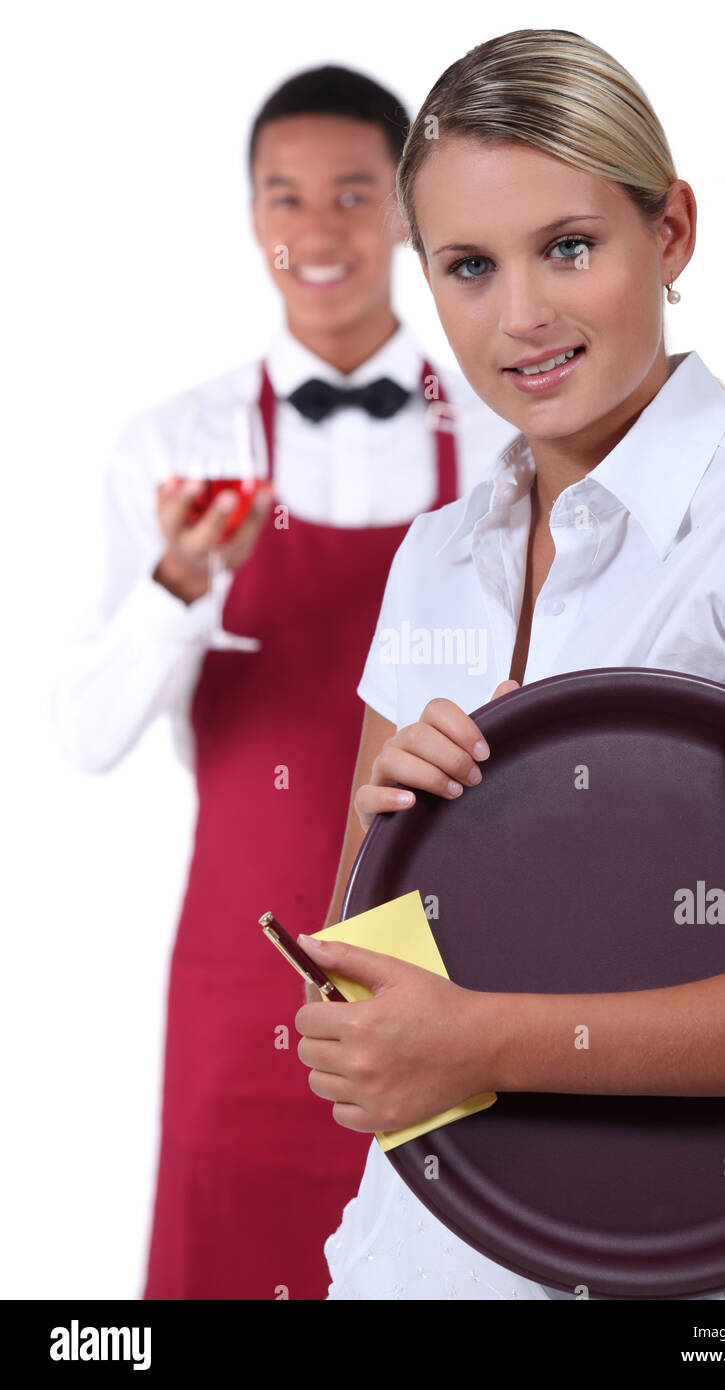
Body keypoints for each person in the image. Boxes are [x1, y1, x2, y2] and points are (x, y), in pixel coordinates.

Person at [293, 29, 725, 1300]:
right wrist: (395, 849)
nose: (522, 317)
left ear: (669, 234)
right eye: (467, 267)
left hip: (685, 1280)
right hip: (405, 1260)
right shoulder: (434, 556)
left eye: (568, 247)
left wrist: (482, 1038)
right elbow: (355, 962)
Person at [53, 64, 517, 1300]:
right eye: (285, 198)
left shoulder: (498, 435)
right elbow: (86, 735)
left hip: (456, 961)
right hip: (239, 959)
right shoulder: (176, 444)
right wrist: (179, 584)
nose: (317, 233)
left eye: (354, 195)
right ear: (253, 213)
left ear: (407, 214)